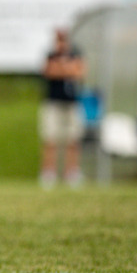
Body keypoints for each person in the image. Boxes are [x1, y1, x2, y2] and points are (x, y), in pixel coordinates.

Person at [39, 28, 86, 188]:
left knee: (72, 140)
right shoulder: (51, 55)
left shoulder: (76, 54)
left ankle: (71, 173)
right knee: (51, 139)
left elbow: (79, 72)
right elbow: (49, 71)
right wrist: (66, 69)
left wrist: (65, 69)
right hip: (53, 103)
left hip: (72, 103)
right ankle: (49, 174)